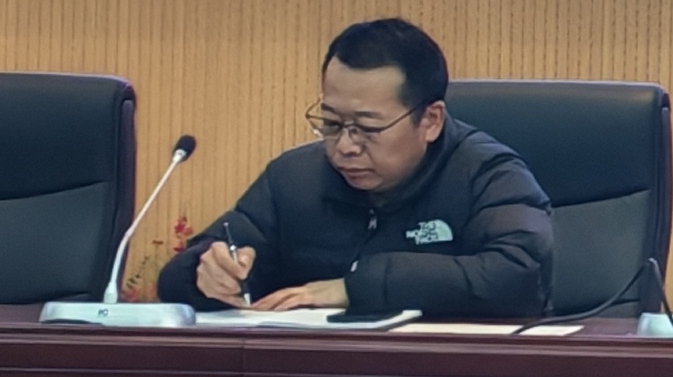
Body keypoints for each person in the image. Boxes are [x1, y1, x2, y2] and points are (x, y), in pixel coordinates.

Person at [156, 18, 553, 317]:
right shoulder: (294, 179)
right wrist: (206, 272)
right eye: (331, 123)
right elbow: (180, 278)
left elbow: (519, 276)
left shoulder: (486, 174)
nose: (345, 146)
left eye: (368, 127)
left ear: (430, 120)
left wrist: (354, 288)